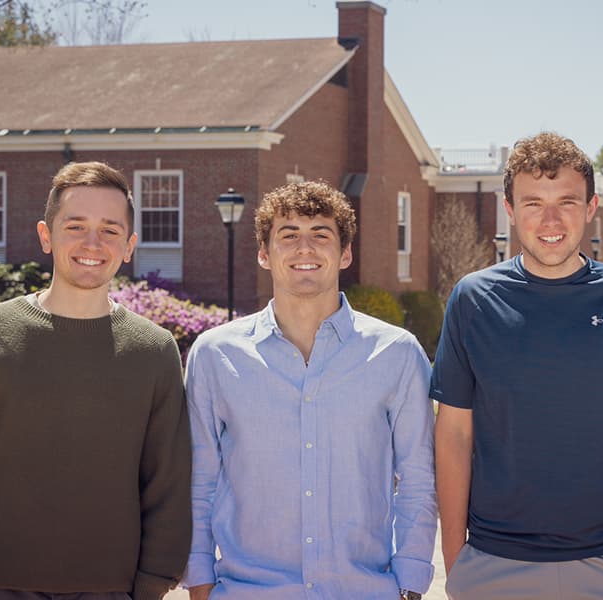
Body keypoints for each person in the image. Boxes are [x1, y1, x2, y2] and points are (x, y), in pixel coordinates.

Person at [0, 161, 192, 600]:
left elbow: (168, 481)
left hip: (111, 591)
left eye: (110, 230)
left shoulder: (153, 350)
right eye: (75, 226)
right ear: (46, 235)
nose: (92, 244)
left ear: (129, 245)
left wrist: (153, 581)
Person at [433, 131, 603, 600]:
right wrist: (455, 557)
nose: (550, 220)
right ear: (509, 210)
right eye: (532, 203)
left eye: (566, 202)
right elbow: (454, 434)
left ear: (590, 208)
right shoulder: (473, 298)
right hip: (494, 562)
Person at [183, 180, 436, 600]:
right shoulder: (215, 355)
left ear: (345, 252)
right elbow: (200, 480)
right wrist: (200, 584)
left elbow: (417, 480)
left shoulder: (397, 353)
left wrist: (410, 585)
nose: (305, 248)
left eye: (321, 234)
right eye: (289, 236)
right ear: (264, 253)